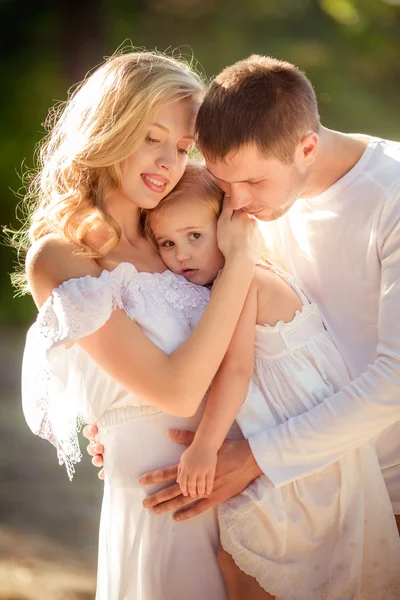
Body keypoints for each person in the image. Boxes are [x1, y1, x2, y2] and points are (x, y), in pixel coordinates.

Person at [87, 54, 400, 595]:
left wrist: (254, 460)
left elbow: (395, 378)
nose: (238, 202)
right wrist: (133, 423)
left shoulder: (390, 197)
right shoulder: (242, 199)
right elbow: (212, 324)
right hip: (289, 485)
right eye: (226, 183)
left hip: (382, 487)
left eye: (253, 182)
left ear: (306, 147)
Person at [19, 49, 263, 600]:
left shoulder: (182, 238)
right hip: (163, 503)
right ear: (110, 125)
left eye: (181, 147)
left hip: (245, 484)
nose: (168, 161)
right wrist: (241, 264)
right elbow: (176, 391)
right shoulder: (64, 257)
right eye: (152, 136)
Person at [141, 162, 400, 599]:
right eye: (167, 242)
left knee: (248, 558)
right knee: (247, 560)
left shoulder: (245, 278)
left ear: (229, 227)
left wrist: (204, 446)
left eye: (194, 236)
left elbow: (237, 370)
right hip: (289, 437)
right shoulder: (236, 274)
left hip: (306, 449)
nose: (181, 254)